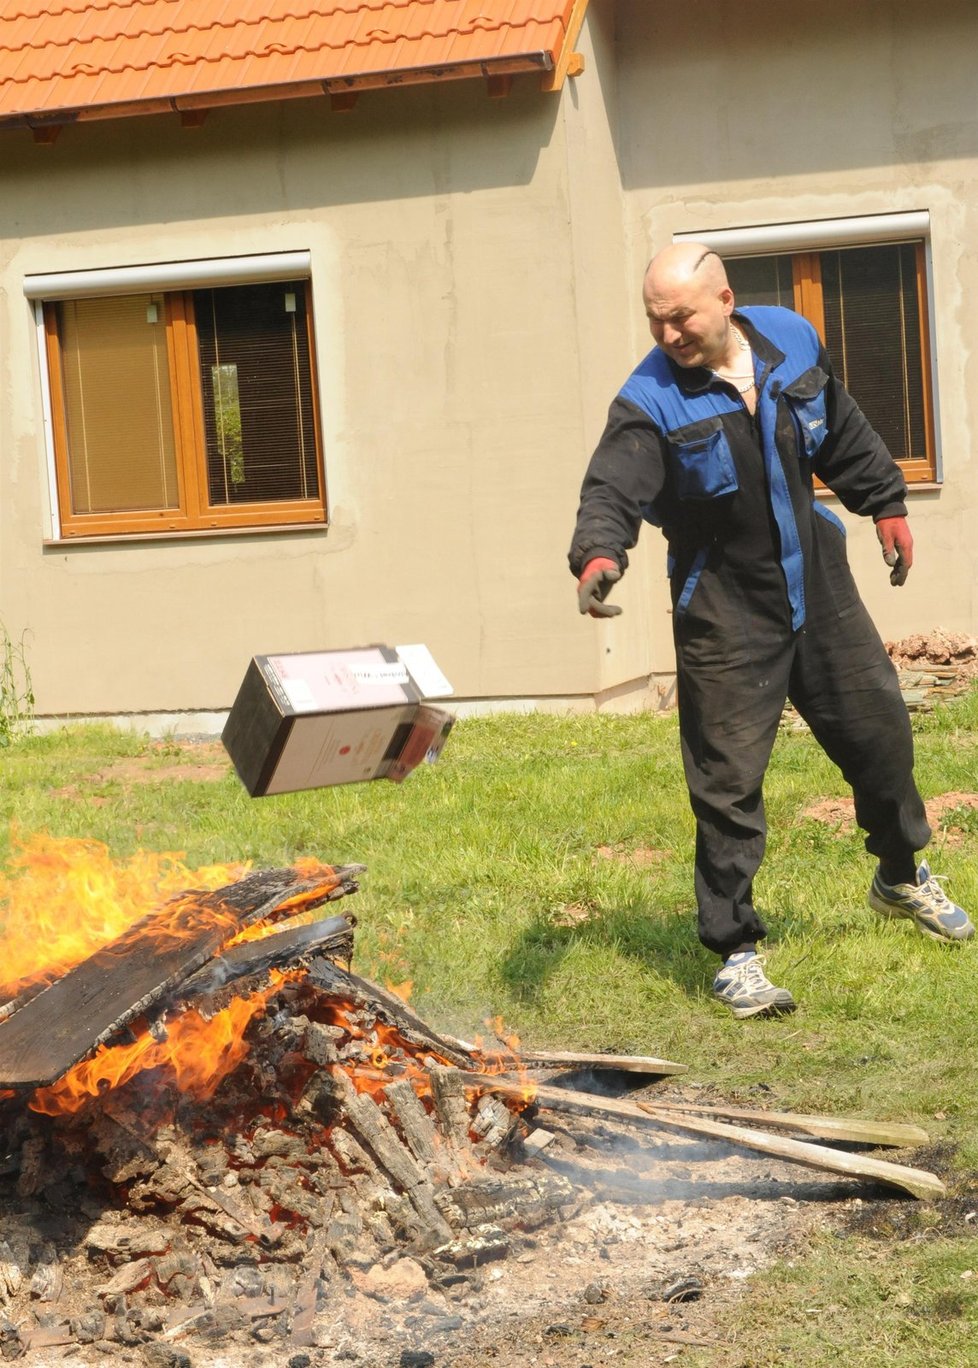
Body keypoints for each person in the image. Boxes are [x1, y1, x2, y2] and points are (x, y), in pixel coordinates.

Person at [568, 241, 974, 1020]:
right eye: (654, 320)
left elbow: (841, 428)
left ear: (725, 300)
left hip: (815, 581)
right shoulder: (648, 401)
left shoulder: (788, 336)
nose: (668, 335)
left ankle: (899, 875)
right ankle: (736, 951)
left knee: (879, 731)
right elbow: (613, 486)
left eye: (680, 316)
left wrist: (884, 502)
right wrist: (597, 554)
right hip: (723, 603)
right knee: (727, 780)